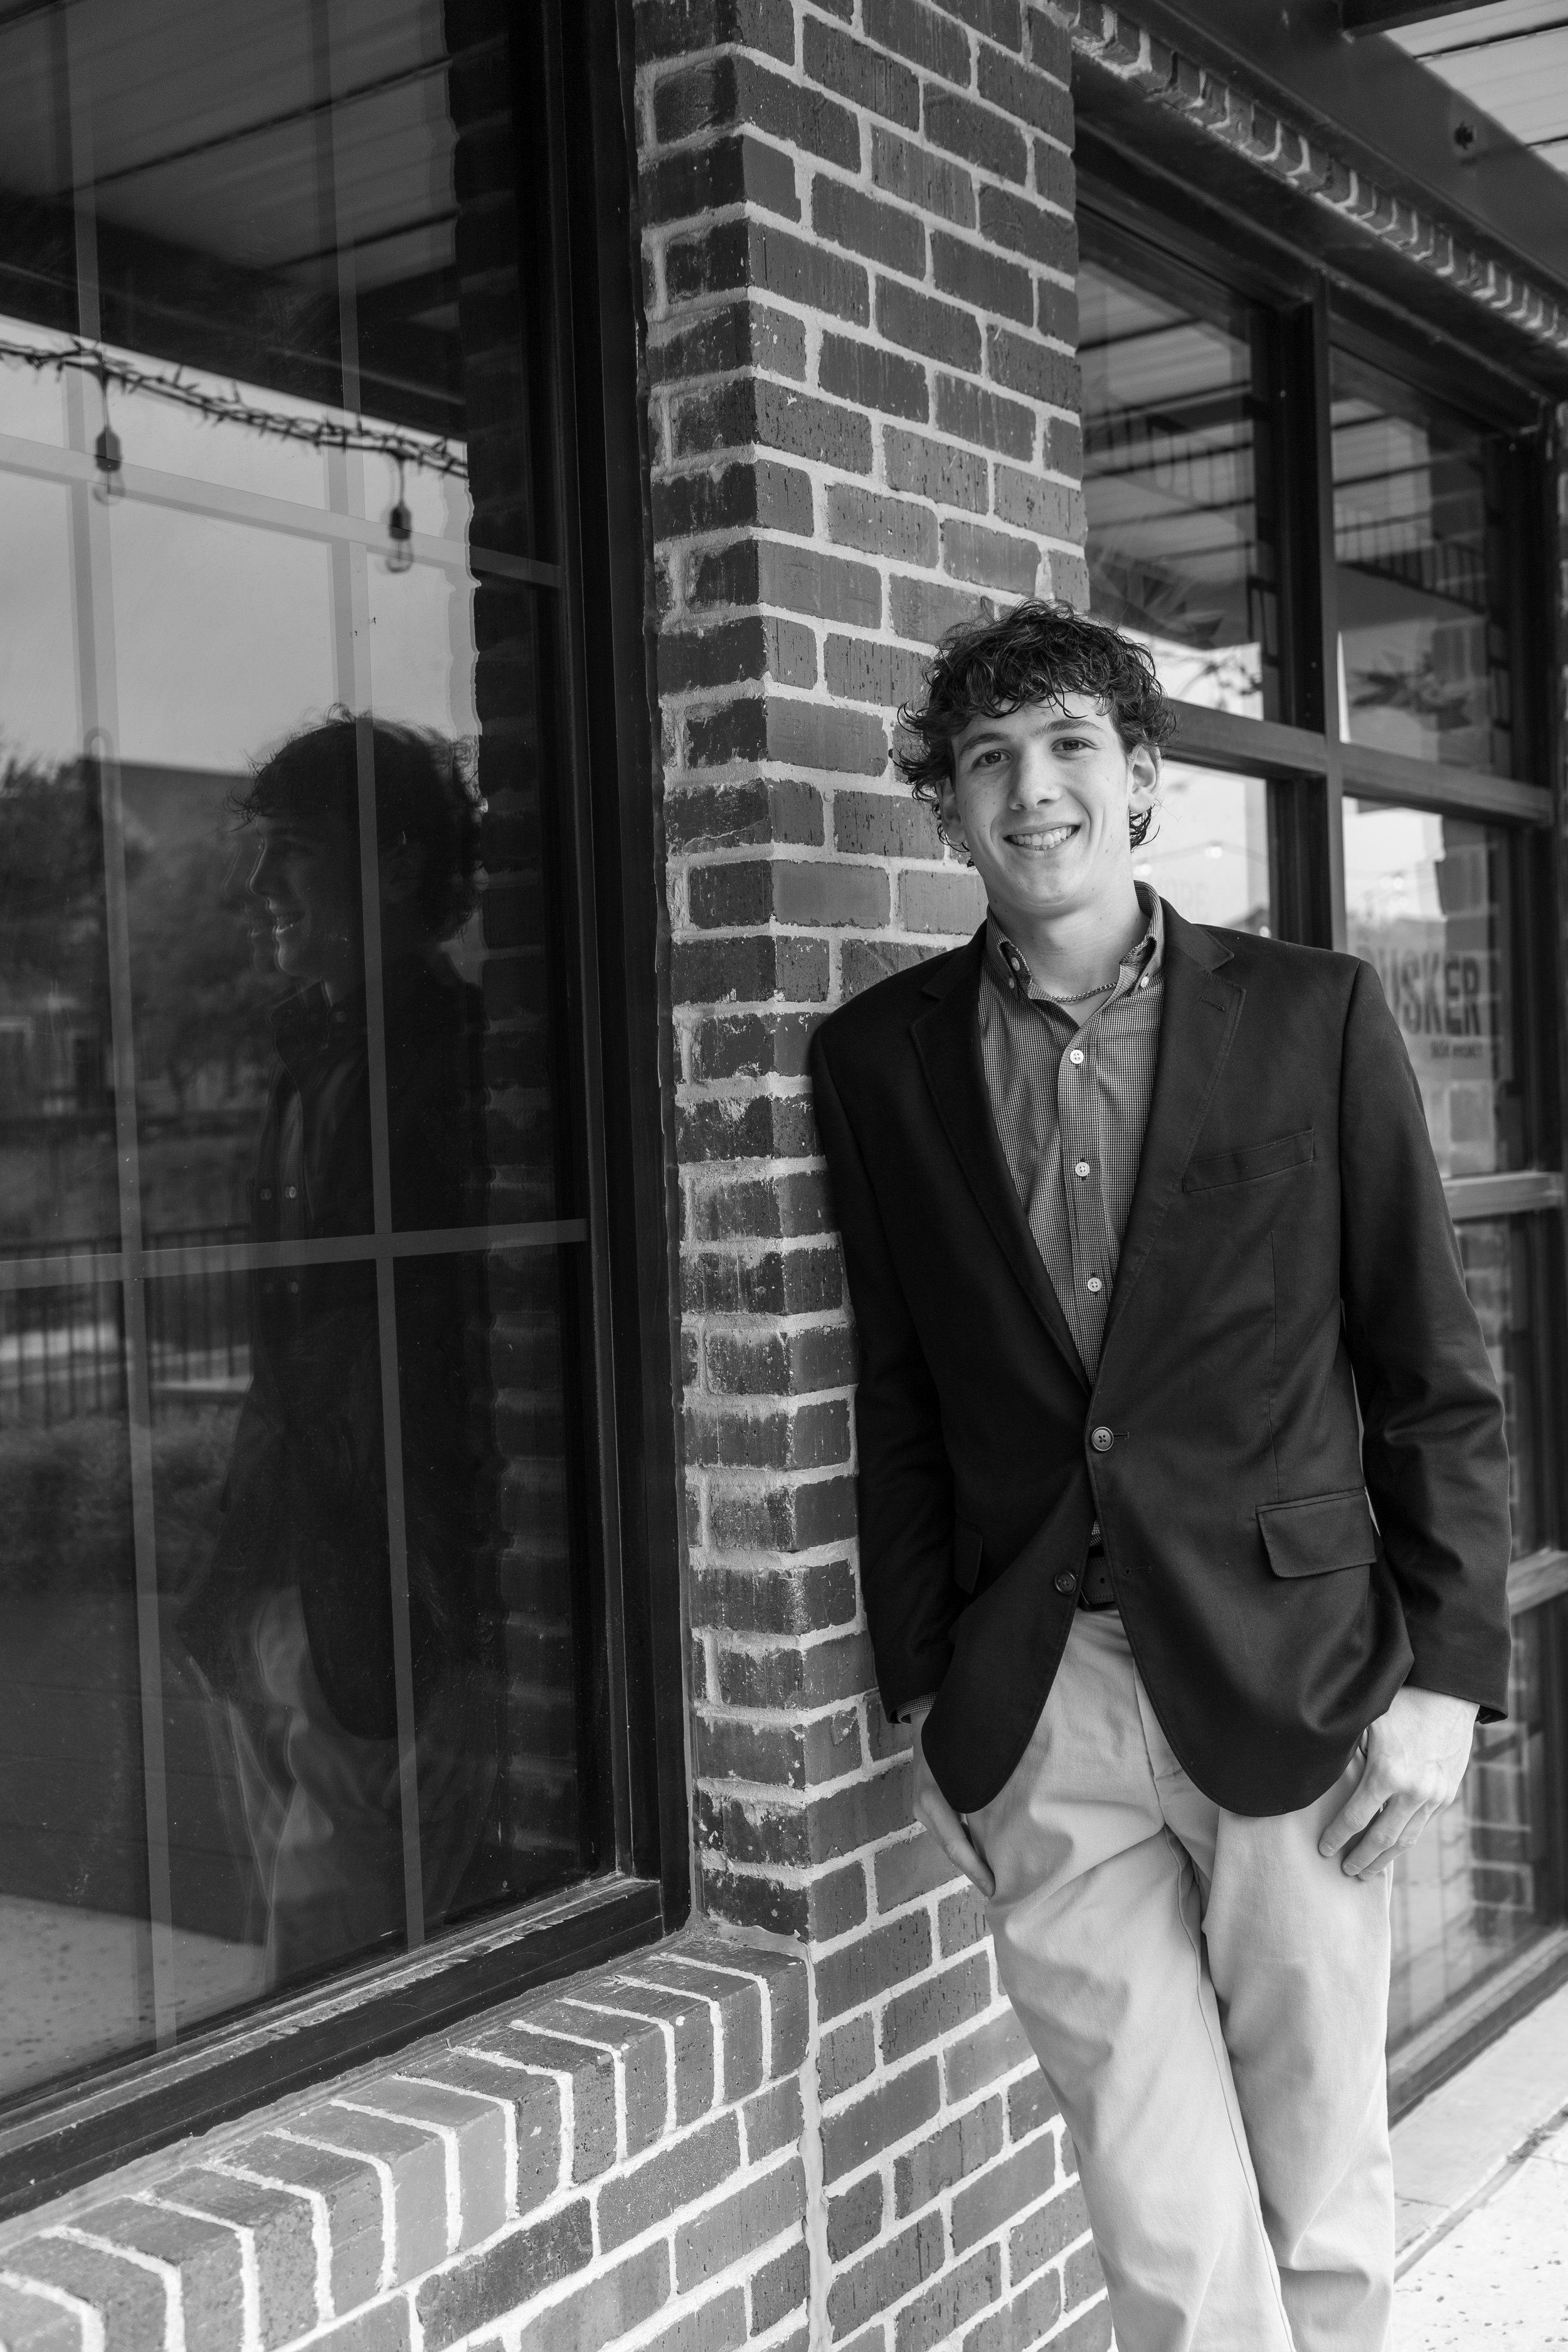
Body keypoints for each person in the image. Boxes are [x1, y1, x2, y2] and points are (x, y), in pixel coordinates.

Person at [808, 603, 1511, 2352]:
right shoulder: (877, 1061)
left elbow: (1427, 1363)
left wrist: (1448, 1680)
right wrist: (928, 1693)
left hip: (1296, 1682)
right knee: (1160, 2218)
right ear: (944, 810)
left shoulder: (1312, 1013)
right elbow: (892, 1393)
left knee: (1320, 2192)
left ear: (1138, 776)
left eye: (1063, 747)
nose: (1025, 787)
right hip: (1047, 1708)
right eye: (984, 759)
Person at [179, 713, 500, 1989]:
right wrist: (236, 1592)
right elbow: (300, 1369)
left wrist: (470, 1651)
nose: (258, 891)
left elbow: (473, 1371)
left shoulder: (461, 1067)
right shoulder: (311, 1065)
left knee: (349, 1992)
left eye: (292, 854)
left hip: (401, 1631)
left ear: (395, 865)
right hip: (309, 1605)